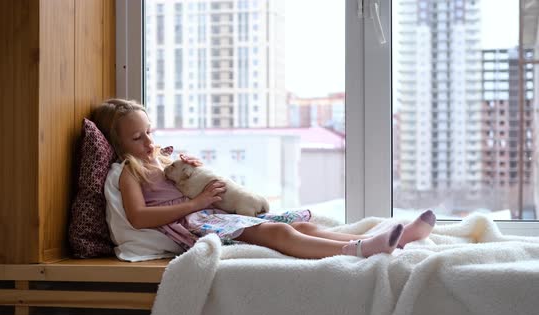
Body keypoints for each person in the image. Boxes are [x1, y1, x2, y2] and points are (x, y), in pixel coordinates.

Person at [93, 98, 436, 259]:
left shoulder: (161, 159)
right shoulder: (127, 173)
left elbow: (190, 180)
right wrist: (194, 202)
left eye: (149, 131)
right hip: (196, 225)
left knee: (304, 227)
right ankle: (357, 250)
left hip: (212, 215)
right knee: (278, 231)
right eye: (137, 138)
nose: (149, 142)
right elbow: (138, 217)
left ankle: (393, 238)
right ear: (116, 142)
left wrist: (191, 173)